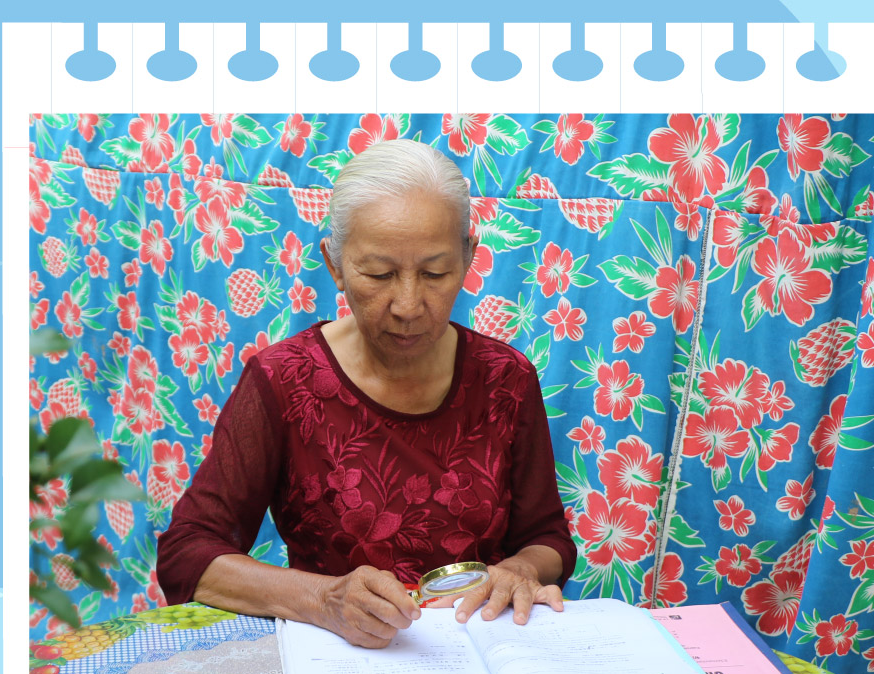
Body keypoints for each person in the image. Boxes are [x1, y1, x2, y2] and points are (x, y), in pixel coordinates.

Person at [157, 139, 576, 648]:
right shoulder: (285, 380)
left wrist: (520, 570)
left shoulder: (505, 378)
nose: (408, 305)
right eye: (379, 274)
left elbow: (546, 538)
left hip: (479, 651)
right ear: (334, 265)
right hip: (337, 660)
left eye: (435, 273)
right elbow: (187, 554)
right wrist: (323, 598)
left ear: (468, 257)